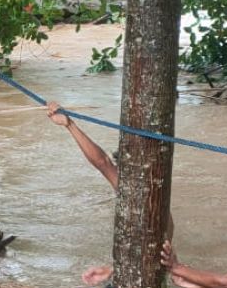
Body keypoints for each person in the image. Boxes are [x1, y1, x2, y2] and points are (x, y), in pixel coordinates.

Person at [45, 100, 173, 239]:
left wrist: (69, 125)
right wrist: (69, 124)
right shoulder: (133, 184)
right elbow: (103, 162)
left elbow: (102, 162)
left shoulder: (139, 185)